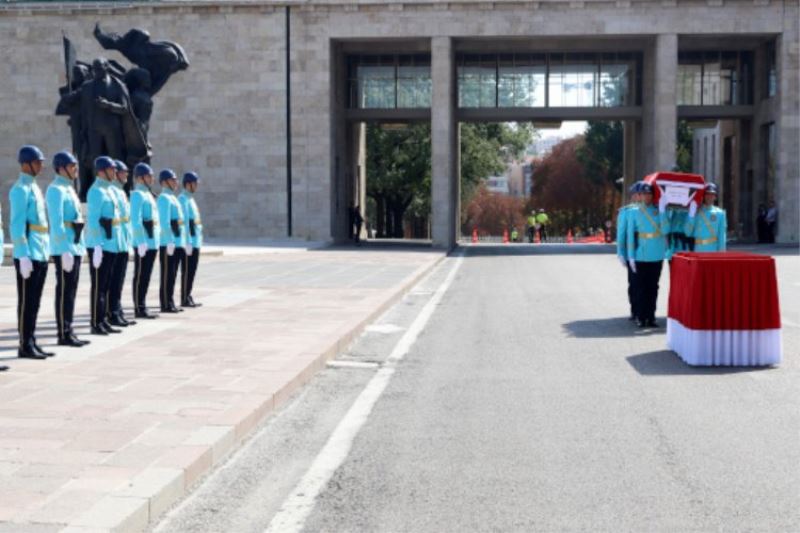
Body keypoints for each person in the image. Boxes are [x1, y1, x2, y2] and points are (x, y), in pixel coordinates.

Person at [9, 145, 53, 359]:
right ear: (26, 164)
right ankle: (24, 344)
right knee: (27, 301)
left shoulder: (34, 187)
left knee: (35, 300)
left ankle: (31, 339)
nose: (41, 166)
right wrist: (23, 253)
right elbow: (17, 225)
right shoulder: (20, 189)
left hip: (40, 249)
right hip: (28, 253)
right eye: (37, 162)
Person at [46, 150, 90, 347]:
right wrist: (64, 249)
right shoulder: (55, 189)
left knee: (71, 290)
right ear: (62, 168)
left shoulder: (69, 188)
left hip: (75, 245)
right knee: (64, 291)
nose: (76, 170)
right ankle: (63, 332)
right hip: (65, 248)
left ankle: (69, 329)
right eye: (72, 166)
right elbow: (56, 223)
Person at [86, 156, 125, 335]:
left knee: (107, 285)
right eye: (111, 169)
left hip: (112, 243)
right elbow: (93, 221)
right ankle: (96, 322)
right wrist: (97, 246)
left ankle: (103, 319)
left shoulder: (108, 190)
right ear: (102, 171)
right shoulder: (96, 191)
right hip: (101, 244)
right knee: (99, 286)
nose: (115, 172)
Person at [626, 183, 669, 328]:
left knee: (653, 287)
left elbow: (665, 230)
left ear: (653, 196)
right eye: (644, 194)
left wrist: (663, 212)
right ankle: (640, 316)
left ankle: (651, 316)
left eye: (649, 194)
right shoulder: (634, 212)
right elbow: (631, 237)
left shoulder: (659, 211)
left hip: (656, 254)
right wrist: (631, 256)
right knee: (640, 287)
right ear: (640, 196)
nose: (647, 196)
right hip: (641, 255)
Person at [106, 160, 136, 327]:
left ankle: (117, 310)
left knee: (120, 279)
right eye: (124, 172)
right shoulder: (112, 190)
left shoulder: (121, 192)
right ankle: (112, 312)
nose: (126, 175)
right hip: (115, 241)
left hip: (123, 240)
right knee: (114, 280)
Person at [130, 163, 160, 318]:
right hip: (143, 243)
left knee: (147, 275)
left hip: (152, 241)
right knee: (141, 274)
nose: (152, 178)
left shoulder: (148, 194)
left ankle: (143, 304)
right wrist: (140, 241)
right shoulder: (137, 195)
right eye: (149, 176)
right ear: (140, 178)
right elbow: (136, 220)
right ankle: (139, 307)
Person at [157, 169, 186, 313]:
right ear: (164, 182)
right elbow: (165, 222)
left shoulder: (173, 198)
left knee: (173, 274)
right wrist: (169, 241)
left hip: (177, 241)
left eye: (176, 180)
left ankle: (170, 301)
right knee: (167, 275)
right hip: (168, 243)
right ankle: (165, 303)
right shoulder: (164, 198)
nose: (176, 182)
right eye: (172, 180)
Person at [179, 171, 203, 308]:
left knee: (192, 271)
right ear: (188, 184)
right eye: (194, 184)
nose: (196, 186)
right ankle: (184, 297)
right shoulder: (182, 199)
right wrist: (187, 241)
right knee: (187, 271)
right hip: (190, 242)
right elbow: (186, 222)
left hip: (196, 240)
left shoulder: (190, 199)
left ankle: (188, 295)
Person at [616, 182, 640, 321]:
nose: (639, 196)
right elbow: (621, 234)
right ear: (633, 196)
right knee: (634, 283)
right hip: (632, 251)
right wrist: (621, 253)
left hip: (646, 251)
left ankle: (643, 310)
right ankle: (635, 310)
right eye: (637, 194)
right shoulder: (626, 211)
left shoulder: (650, 210)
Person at [685, 182, 727, 252]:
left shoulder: (720, 214)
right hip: (698, 250)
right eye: (707, 194)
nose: (709, 196)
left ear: (715, 197)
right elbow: (687, 232)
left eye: (712, 194)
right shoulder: (695, 212)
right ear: (703, 196)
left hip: (712, 251)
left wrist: (721, 256)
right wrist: (691, 216)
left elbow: (721, 237)